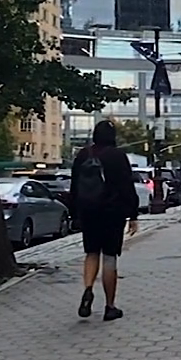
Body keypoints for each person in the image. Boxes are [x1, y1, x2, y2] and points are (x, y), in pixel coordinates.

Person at [70, 120, 140, 320]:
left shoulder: (83, 155)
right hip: (112, 213)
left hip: (89, 212)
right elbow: (127, 186)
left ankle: (88, 289)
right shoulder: (118, 156)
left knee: (91, 253)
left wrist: (76, 214)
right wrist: (133, 215)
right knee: (109, 258)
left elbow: (74, 187)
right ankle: (110, 306)